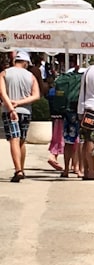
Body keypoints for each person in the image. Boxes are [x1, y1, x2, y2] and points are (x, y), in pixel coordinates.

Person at [0, 50, 41, 182]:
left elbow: (2, 93)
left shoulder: (4, 73)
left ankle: (18, 170)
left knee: (14, 139)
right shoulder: (31, 76)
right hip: (25, 111)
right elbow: (36, 96)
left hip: (9, 111)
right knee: (21, 140)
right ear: (25, 63)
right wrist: (20, 102)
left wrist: (11, 108)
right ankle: (21, 169)